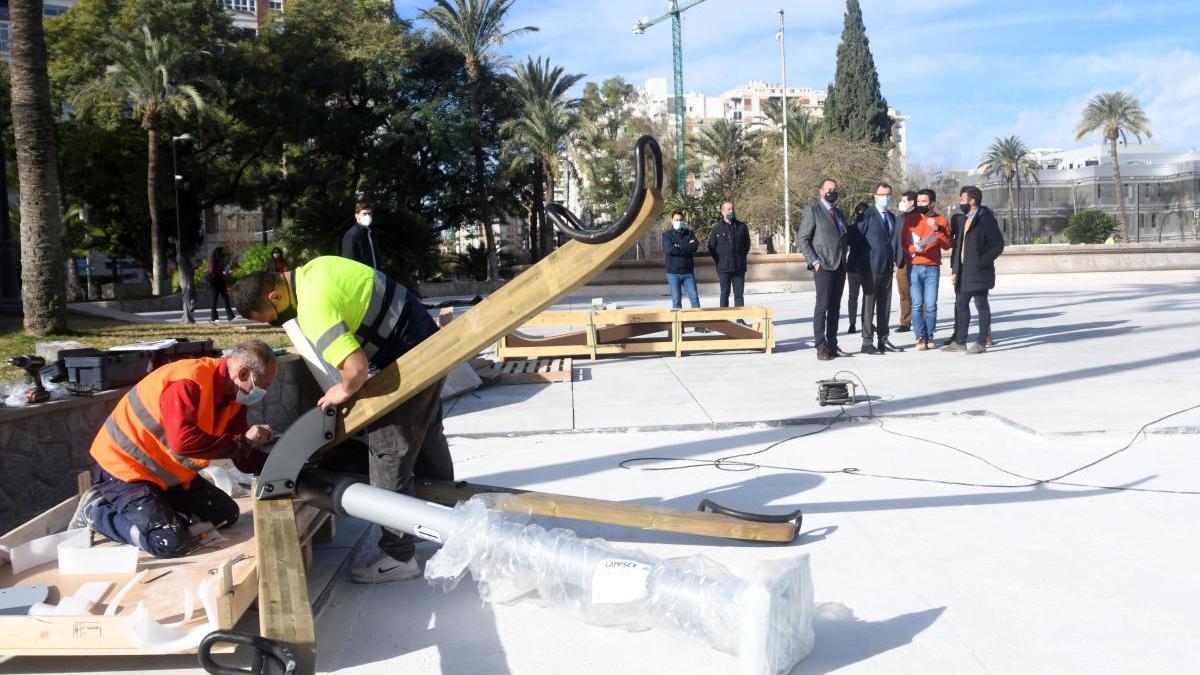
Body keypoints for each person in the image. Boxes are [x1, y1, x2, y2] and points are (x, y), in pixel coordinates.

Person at [232, 256, 453, 583]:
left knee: (388, 450)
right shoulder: (317, 269)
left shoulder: (312, 307)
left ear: (275, 297)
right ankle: (442, 521)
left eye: (272, 319)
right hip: (423, 342)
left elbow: (356, 368)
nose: (275, 325)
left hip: (410, 355)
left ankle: (398, 554)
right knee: (426, 435)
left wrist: (342, 390)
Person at [71, 341, 278, 558]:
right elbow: (184, 442)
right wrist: (244, 442)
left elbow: (242, 457)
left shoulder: (233, 396)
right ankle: (96, 511)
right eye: (264, 385)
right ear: (243, 373)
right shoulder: (189, 382)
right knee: (169, 542)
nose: (264, 391)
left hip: (165, 476)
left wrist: (281, 465)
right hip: (124, 470)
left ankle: (157, 508)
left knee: (227, 514)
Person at [942, 186, 1004, 354]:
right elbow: (959, 246)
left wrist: (982, 261)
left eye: (962, 200)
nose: (960, 203)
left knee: (981, 305)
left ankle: (981, 342)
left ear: (972, 201)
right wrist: (955, 269)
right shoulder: (964, 219)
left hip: (979, 272)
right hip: (963, 272)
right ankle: (960, 341)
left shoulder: (985, 219)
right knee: (961, 304)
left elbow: (998, 245)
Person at [798, 178, 852, 361]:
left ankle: (832, 344)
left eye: (834, 189)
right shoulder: (813, 211)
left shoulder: (838, 212)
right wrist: (814, 261)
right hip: (823, 265)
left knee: (835, 307)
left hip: (840, 265)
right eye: (829, 189)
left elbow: (843, 236)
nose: (832, 192)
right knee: (822, 306)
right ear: (821, 191)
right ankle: (820, 346)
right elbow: (803, 239)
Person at [848, 182, 903, 355]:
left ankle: (883, 339)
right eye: (882, 195)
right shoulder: (867, 215)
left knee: (885, 306)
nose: (885, 198)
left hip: (886, 267)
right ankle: (867, 341)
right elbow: (855, 239)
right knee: (869, 305)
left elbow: (893, 242)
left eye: (888, 195)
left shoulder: (892, 217)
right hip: (869, 268)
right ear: (875, 196)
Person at [902, 189, 951, 350]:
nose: (920, 204)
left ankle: (930, 335)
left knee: (930, 304)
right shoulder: (911, 220)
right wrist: (912, 248)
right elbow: (903, 242)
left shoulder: (941, 220)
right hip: (914, 266)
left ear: (932, 203)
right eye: (918, 201)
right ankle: (920, 336)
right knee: (916, 304)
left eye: (924, 201)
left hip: (932, 268)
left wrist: (937, 229)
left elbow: (947, 245)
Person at [707, 201, 751, 309]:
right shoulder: (717, 228)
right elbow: (711, 247)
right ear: (722, 212)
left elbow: (747, 245)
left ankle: (740, 319)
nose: (731, 211)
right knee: (724, 293)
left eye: (732, 209)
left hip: (738, 267)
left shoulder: (742, 227)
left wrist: (740, 256)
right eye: (728, 209)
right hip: (723, 267)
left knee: (739, 294)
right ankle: (724, 320)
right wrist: (719, 260)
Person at [662, 211, 701, 310]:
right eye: (676, 220)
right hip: (673, 273)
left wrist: (678, 247)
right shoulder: (667, 235)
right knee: (676, 301)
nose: (678, 222)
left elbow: (694, 246)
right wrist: (686, 247)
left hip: (688, 272)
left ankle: (698, 325)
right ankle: (678, 326)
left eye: (680, 220)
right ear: (672, 221)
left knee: (695, 299)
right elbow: (669, 250)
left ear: (683, 221)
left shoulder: (690, 233)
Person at [894, 191, 917, 333]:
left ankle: (923, 321)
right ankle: (905, 321)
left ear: (912, 202)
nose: (901, 203)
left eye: (904, 201)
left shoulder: (919, 216)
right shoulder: (900, 217)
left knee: (919, 292)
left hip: (916, 259)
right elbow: (895, 239)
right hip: (901, 260)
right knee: (903, 292)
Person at [845, 202, 869, 335]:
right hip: (855, 266)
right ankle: (852, 323)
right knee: (854, 296)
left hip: (865, 265)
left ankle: (864, 322)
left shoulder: (855, 228)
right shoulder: (852, 228)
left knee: (866, 296)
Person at [341, 201, 379, 269]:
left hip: (373, 276)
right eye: (364, 214)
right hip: (360, 278)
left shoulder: (370, 234)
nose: (367, 216)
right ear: (356, 215)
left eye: (369, 214)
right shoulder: (352, 235)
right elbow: (349, 262)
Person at [208, 247, 236, 322]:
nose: (223, 253)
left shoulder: (220, 260)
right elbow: (212, 271)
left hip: (221, 281)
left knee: (226, 298)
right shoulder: (213, 260)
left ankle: (231, 316)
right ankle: (214, 317)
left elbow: (221, 270)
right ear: (217, 252)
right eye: (221, 252)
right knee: (214, 300)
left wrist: (226, 272)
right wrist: (221, 273)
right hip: (215, 282)